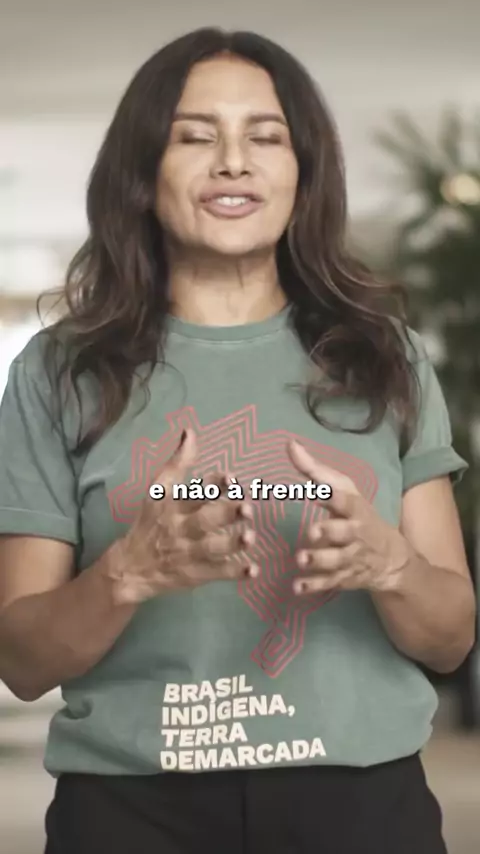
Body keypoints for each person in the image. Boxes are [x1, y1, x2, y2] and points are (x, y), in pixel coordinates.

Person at [0, 27, 476, 854]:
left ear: (304, 171)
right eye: (194, 137)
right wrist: (127, 572)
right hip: (131, 811)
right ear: (143, 171)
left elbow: (451, 637)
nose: (232, 163)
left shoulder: (383, 356)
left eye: (265, 137)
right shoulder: (58, 370)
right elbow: (22, 661)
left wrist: (390, 565)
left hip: (363, 806)